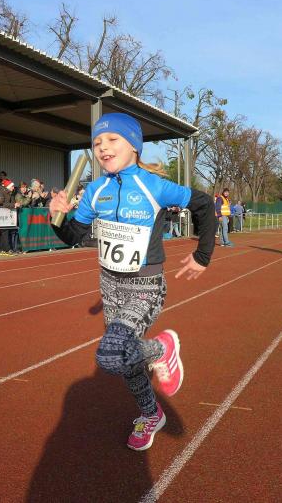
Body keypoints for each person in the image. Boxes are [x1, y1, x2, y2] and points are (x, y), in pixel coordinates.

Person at [50, 113, 216, 451]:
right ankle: (151, 414)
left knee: (110, 355)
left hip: (145, 286)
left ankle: (162, 348)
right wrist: (57, 216)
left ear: (134, 146)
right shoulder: (96, 190)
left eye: (112, 140)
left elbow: (203, 204)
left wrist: (202, 255)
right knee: (125, 362)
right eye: (97, 143)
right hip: (110, 286)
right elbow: (72, 236)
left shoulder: (153, 185)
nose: (102, 147)